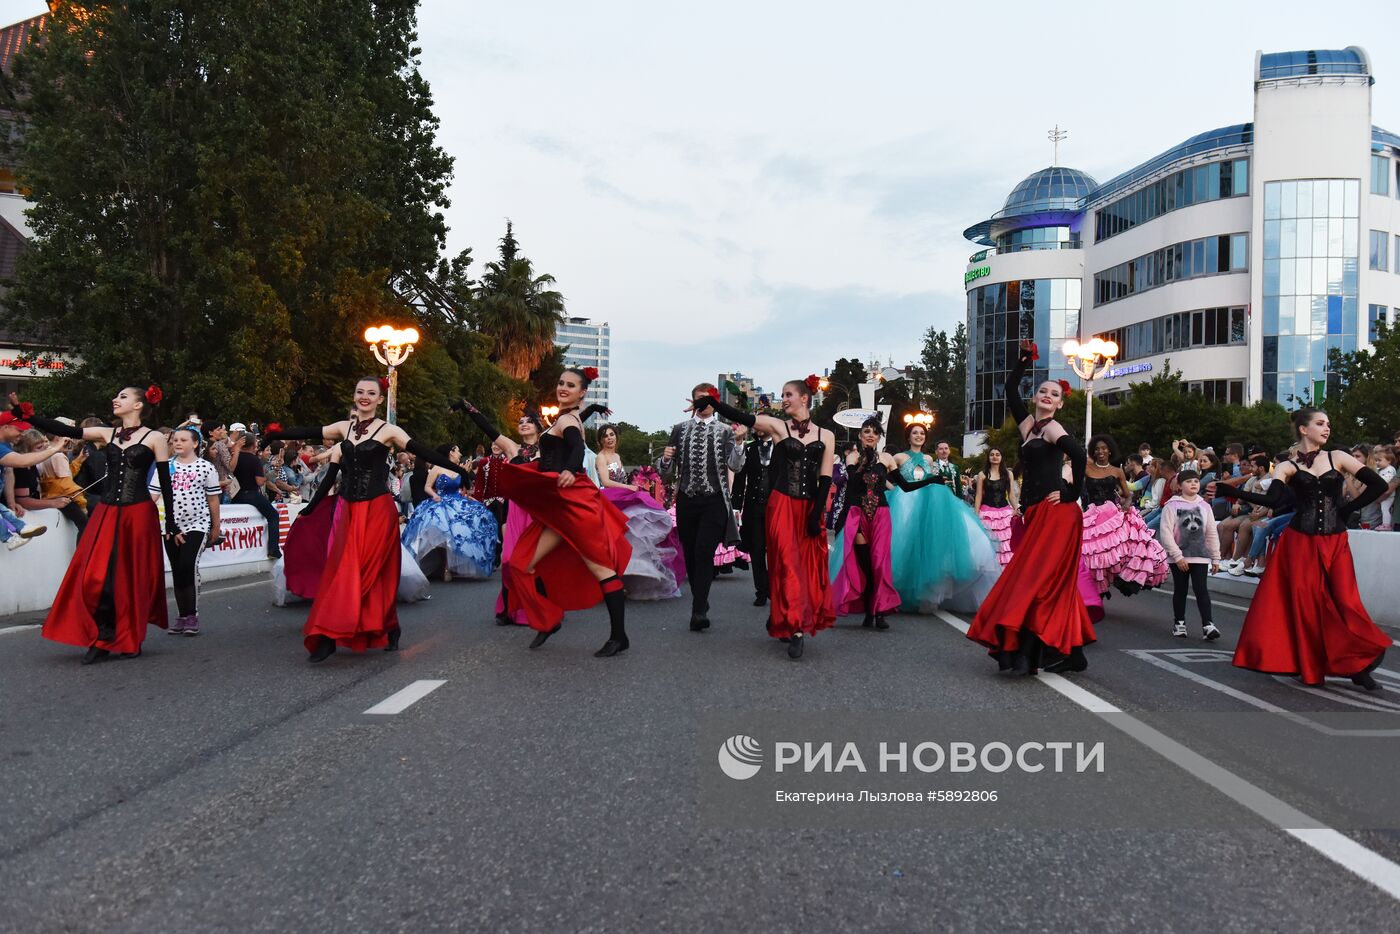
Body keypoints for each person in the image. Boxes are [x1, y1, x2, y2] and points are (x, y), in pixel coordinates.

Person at [264, 376, 470, 661]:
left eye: (371, 393)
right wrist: (275, 435)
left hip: (377, 508)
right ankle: (330, 634)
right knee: (344, 569)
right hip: (347, 508)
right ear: (354, 396)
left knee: (369, 570)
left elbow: (422, 450)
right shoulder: (342, 428)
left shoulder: (389, 431)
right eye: (360, 391)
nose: (364, 397)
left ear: (379, 399)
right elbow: (316, 442)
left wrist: (459, 470)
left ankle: (382, 626)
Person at [1211, 407, 1390, 689]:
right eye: (1320, 424)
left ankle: (1357, 663)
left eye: (1328, 424)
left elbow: (1378, 483)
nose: (1327, 428)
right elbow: (1273, 501)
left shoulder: (1338, 457)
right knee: (1306, 606)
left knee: (1345, 603)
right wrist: (1234, 492)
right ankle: (1311, 664)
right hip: (1300, 542)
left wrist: (1346, 510)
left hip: (1335, 541)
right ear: (1304, 430)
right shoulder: (1287, 466)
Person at [457, 371, 633, 657]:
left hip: (574, 504)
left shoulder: (567, 421)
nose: (563, 388)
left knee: (601, 570)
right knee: (519, 564)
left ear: (582, 392)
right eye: (561, 382)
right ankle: (548, 620)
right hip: (557, 506)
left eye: (571, 385)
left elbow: (576, 446)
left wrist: (569, 469)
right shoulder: (564, 419)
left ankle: (619, 636)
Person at [11, 388, 178, 664]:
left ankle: (128, 637)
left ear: (138, 404)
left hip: (138, 514)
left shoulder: (156, 437)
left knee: (130, 578)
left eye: (123, 396)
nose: (116, 399)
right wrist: (25, 415)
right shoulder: (106, 433)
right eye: (116, 396)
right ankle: (102, 634)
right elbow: (61, 429)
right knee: (93, 576)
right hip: (108, 512)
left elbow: (165, 483)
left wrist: (170, 523)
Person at [966, 341, 1093, 676]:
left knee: (1037, 581)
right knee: (1048, 582)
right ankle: (1073, 652)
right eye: (1042, 390)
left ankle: (1026, 652)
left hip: (1058, 515)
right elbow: (1009, 389)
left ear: (1060, 403)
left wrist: (1071, 493)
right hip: (1036, 513)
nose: (1047, 395)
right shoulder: (1027, 428)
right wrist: (1024, 360)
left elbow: (1079, 455)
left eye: (1054, 393)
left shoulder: (1051, 428)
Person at [688, 376, 835, 659]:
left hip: (808, 508)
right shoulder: (778, 427)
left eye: (788, 394)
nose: (785, 399)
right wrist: (713, 403)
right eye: (783, 395)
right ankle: (795, 629)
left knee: (803, 566)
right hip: (780, 505)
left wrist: (816, 514)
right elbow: (743, 416)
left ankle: (783, 614)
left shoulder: (825, 435)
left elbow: (825, 478)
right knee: (785, 562)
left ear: (804, 398)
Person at [829, 417, 942, 629]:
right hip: (858, 514)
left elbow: (905, 487)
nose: (870, 435)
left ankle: (879, 612)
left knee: (880, 562)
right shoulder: (853, 457)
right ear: (860, 436)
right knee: (867, 565)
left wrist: (931, 480)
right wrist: (863, 461)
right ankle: (870, 609)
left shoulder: (888, 458)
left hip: (881, 514)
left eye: (874, 432)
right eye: (866, 431)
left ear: (879, 436)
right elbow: (852, 485)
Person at [656, 383, 747, 631]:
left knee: (704, 551)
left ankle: (698, 610)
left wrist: (739, 446)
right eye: (699, 399)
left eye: (708, 399)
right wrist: (664, 459)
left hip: (714, 500)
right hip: (686, 499)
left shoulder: (725, 431)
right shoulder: (679, 429)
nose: (703, 404)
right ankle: (701, 601)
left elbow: (736, 467)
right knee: (692, 553)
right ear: (692, 401)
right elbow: (664, 471)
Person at [886, 424, 1000, 612]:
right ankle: (896, 592)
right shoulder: (898, 457)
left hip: (927, 503)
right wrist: (897, 492)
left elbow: (930, 480)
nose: (919, 436)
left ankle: (923, 593)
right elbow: (887, 479)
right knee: (903, 545)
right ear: (908, 437)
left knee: (926, 546)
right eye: (915, 433)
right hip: (904, 503)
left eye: (922, 433)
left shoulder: (928, 458)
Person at [596, 423, 685, 600]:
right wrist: (629, 487)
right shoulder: (601, 457)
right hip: (610, 499)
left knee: (630, 539)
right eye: (605, 436)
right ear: (600, 440)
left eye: (612, 434)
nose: (609, 438)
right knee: (614, 541)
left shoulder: (616, 456)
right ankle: (612, 581)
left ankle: (625, 580)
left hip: (622, 497)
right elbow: (606, 482)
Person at [149, 427, 223, 635]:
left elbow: (213, 499)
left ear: (195, 444)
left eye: (183, 440)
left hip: (197, 524)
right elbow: (152, 497)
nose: (177, 443)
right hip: (170, 526)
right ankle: (182, 616)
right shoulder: (164, 467)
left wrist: (215, 527)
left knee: (187, 565)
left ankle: (192, 615)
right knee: (177, 569)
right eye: (174, 440)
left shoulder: (206, 467)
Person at [1080, 434, 1167, 597]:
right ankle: (1092, 593)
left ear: (1110, 451)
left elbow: (1128, 494)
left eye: (1104, 448)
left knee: (1121, 551)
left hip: (1112, 515)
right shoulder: (1086, 469)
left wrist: (1126, 506)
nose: (1101, 451)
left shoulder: (1117, 471)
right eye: (1097, 448)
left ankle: (1115, 584)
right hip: (1091, 515)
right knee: (1089, 555)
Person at [399, 443, 498, 581]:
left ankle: (452, 566)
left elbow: (462, 489)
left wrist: (468, 496)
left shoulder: (458, 470)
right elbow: (427, 487)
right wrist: (434, 495)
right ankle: (444, 567)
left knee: (469, 525)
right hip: (440, 502)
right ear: (451, 452)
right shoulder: (437, 468)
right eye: (458, 451)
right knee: (442, 533)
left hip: (457, 502)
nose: (460, 454)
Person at [486, 412, 543, 625]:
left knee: (535, 561)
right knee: (509, 559)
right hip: (516, 509)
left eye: (529, 421)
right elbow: (489, 429)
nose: (524, 424)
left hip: (539, 510)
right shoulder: (512, 448)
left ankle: (538, 607)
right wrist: (468, 409)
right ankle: (508, 608)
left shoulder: (548, 447)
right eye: (520, 422)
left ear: (538, 426)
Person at [1157, 469, 1222, 640]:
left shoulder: (1205, 506)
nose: (1193, 484)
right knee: (1181, 589)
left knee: (1202, 590)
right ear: (1179, 485)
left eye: (1196, 481)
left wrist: (1215, 557)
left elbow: (1211, 532)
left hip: (1200, 555)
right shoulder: (1171, 506)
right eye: (1188, 481)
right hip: (1179, 556)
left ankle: (1208, 624)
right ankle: (1179, 623)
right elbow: (1166, 533)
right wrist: (1177, 556)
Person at [0, 410, 56, 549]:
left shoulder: (6, 446)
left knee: (3, 510)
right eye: (19, 429)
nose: (22, 434)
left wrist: (11, 502)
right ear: (5, 427)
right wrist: (56, 449)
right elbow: (21, 461)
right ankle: (12, 535)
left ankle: (18, 530)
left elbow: (8, 472)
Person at [731, 426, 775, 605]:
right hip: (753, 506)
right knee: (757, 550)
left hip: (776, 507)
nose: (759, 426)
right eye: (757, 424)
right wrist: (735, 508)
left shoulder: (781, 448)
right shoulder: (748, 449)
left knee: (776, 550)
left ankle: (775, 587)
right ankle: (761, 591)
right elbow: (740, 479)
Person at [228, 429, 282, 560]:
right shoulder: (254, 460)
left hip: (235, 495)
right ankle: (273, 549)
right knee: (273, 515)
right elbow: (259, 481)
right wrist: (268, 475)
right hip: (251, 494)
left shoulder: (234, 457)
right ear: (253, 445)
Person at [973, 447, 1017, 566]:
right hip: (987, 513)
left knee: (1005, 542)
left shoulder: (1008, 474)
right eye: (992, 454)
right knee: (989, 542)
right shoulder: (982, 474)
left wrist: (1017, 509)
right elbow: (978, 496)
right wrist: (975, 514)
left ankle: (1004, 571)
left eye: (998, 454)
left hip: (1004, 513)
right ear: (988, 457)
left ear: (1001, 457)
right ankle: (990, 571)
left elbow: (1011, 495)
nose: (995, 456)